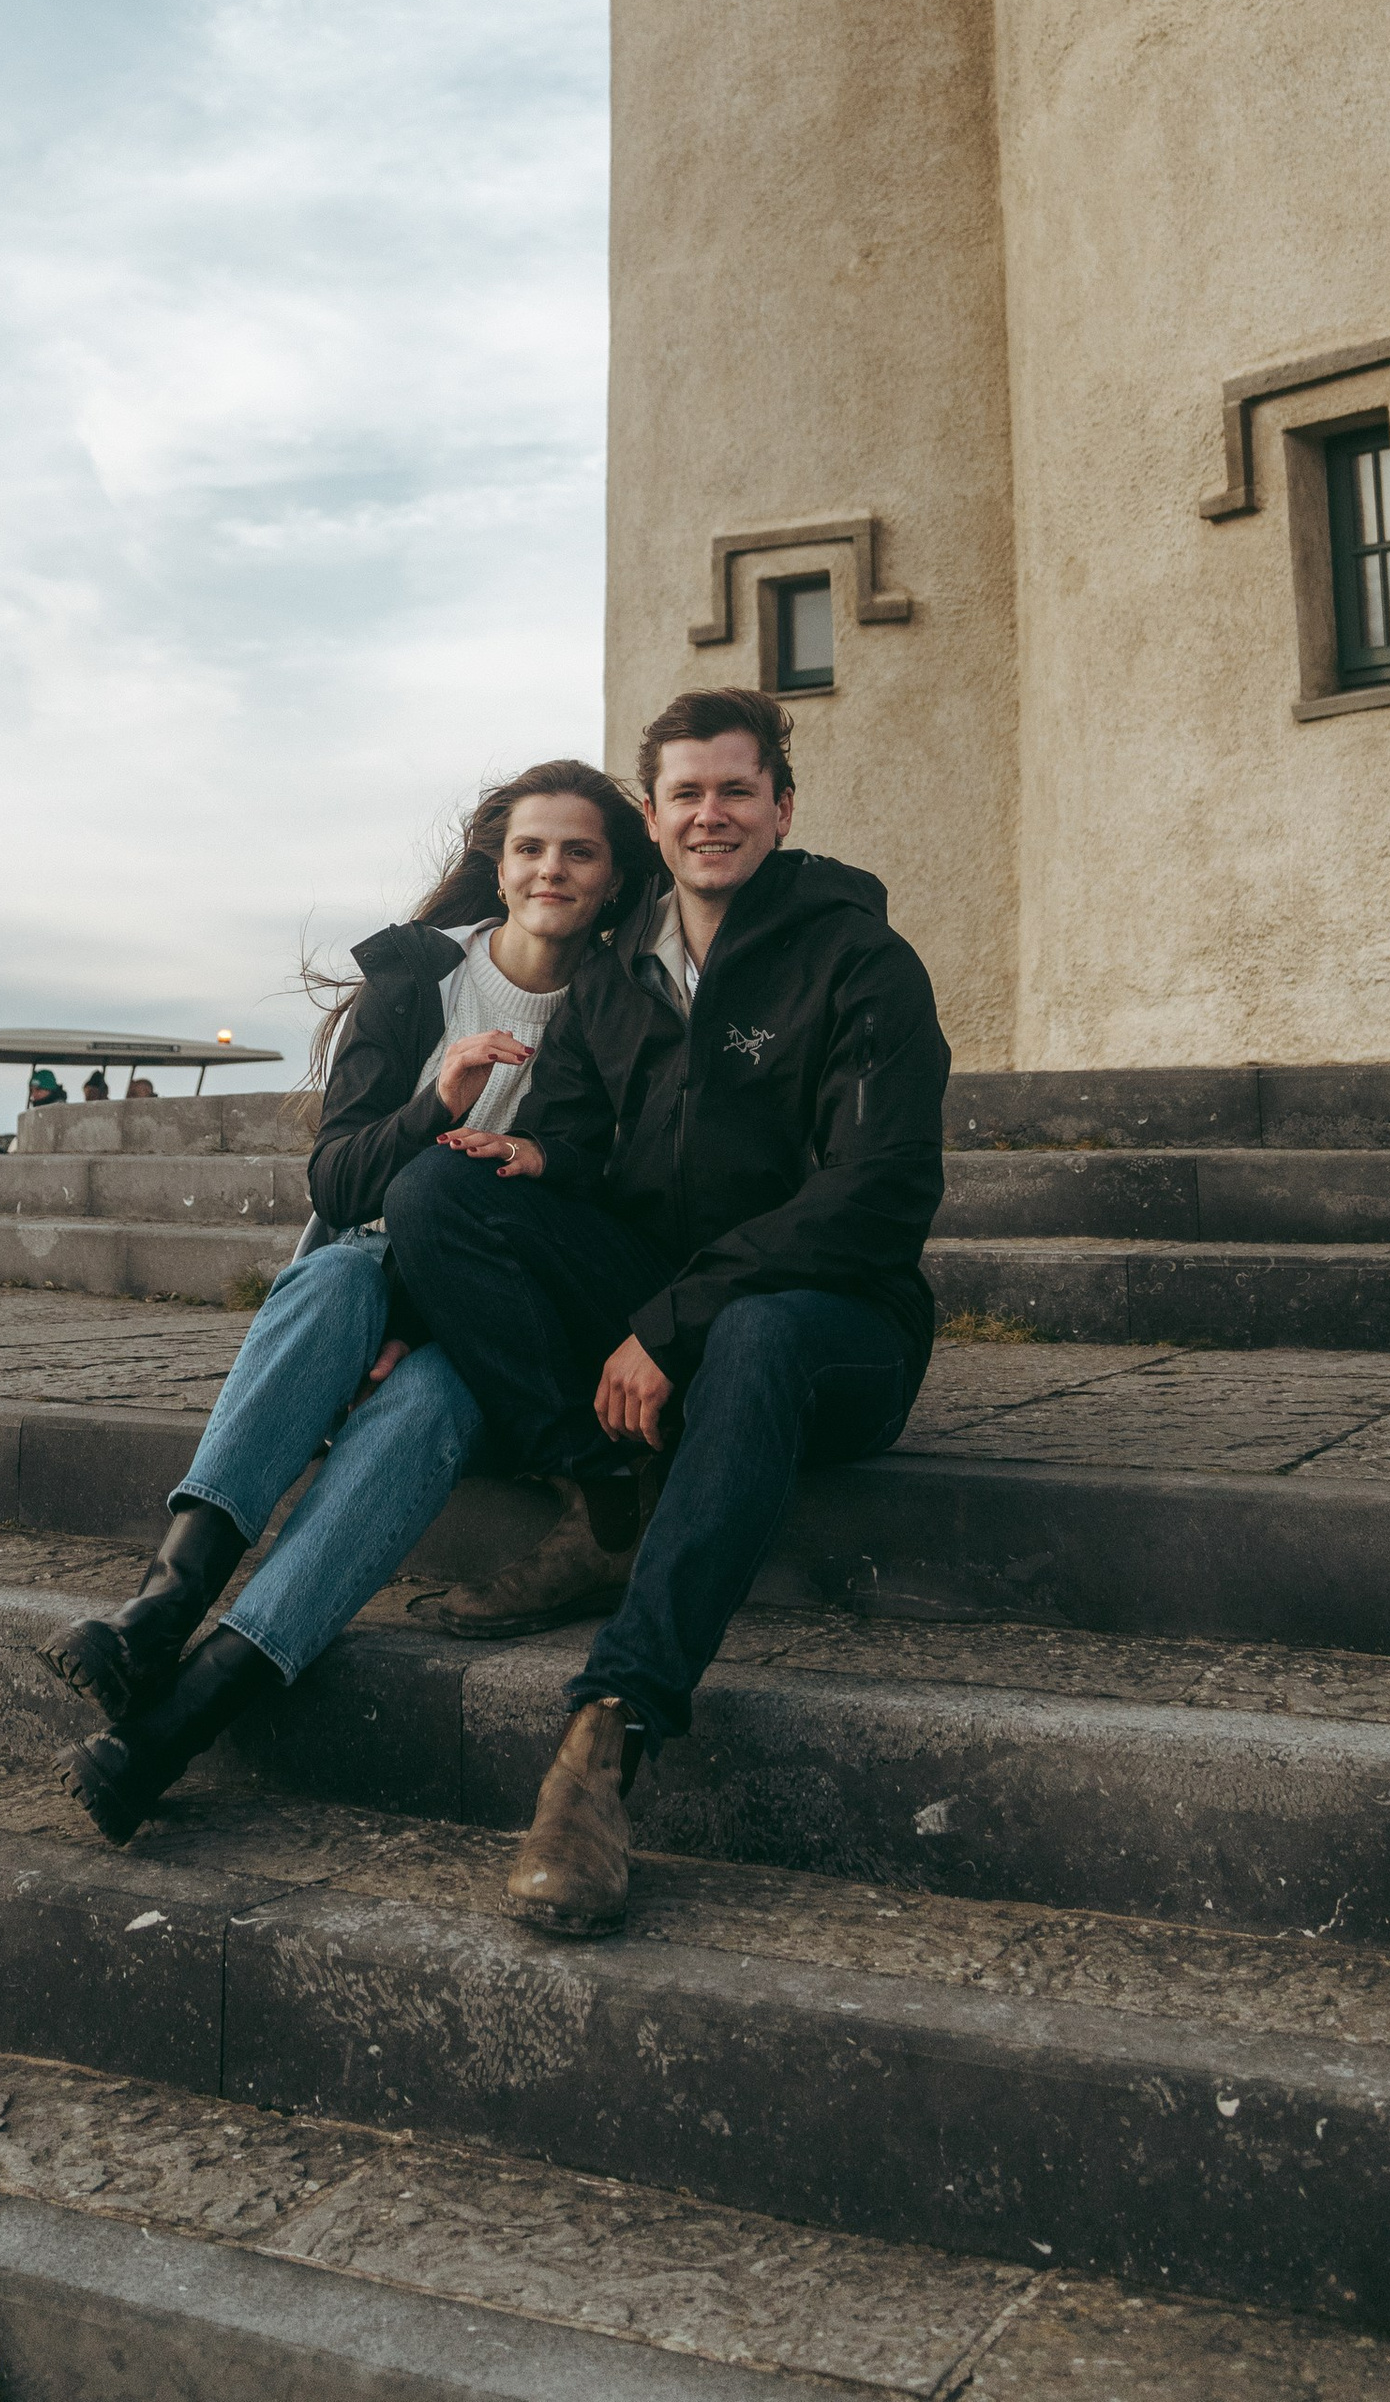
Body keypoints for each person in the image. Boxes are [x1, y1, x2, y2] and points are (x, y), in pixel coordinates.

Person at [383, 686, 948, 1940]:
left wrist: (673, 1322)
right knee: (437, 1190)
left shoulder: (858, 961)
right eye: (686, 793)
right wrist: (519, 1188)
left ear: (780, 807)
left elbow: (879, 1190)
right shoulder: (615, 979)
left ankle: (609, 1735)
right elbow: (577, 1142)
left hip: (833, 1328)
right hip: (661, 1305)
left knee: (756, 1329)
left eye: (736, 789)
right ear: (653, 816)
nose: (710, 814)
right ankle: (604, 1498)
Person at [38, 759, 655, 1842]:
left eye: (579, 852)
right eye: (529, 848)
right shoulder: (416, 980)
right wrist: (437, 1102)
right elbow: (338, 1186)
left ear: (612, 878)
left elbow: (610, 1196)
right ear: (497, 866)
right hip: (368, 1278)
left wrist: (429, 1304)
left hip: (504, 1314)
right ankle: (160, 1614)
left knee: (427, 1401)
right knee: (332, 1273)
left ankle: (175, 1726)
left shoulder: (619, 1009)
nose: (551, 869)